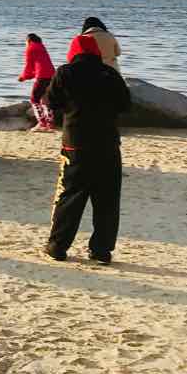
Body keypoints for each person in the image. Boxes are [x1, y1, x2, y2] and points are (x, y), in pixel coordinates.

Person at [42, 33, 132, 264]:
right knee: (107, 199)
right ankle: (101, 251)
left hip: (76, 144)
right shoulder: (110, 74)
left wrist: (70, 108)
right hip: (108, 143)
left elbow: (50, 101)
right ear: (96, 52)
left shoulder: (65, 72)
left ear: (73, 52)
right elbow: (126, 105)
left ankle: (58, 246)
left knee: (70, 195)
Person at [19, 33, 57, 132]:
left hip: (42, 77)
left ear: (29, 41)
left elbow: (28, 67)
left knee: (34, 99)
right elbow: (39, 67)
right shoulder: (42, 48)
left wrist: (23, 77)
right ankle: (50, 124)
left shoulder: (30, 48)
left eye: (25, 42)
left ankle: (42, 123)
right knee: (45, 99)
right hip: (52, 76)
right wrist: (28, 76)